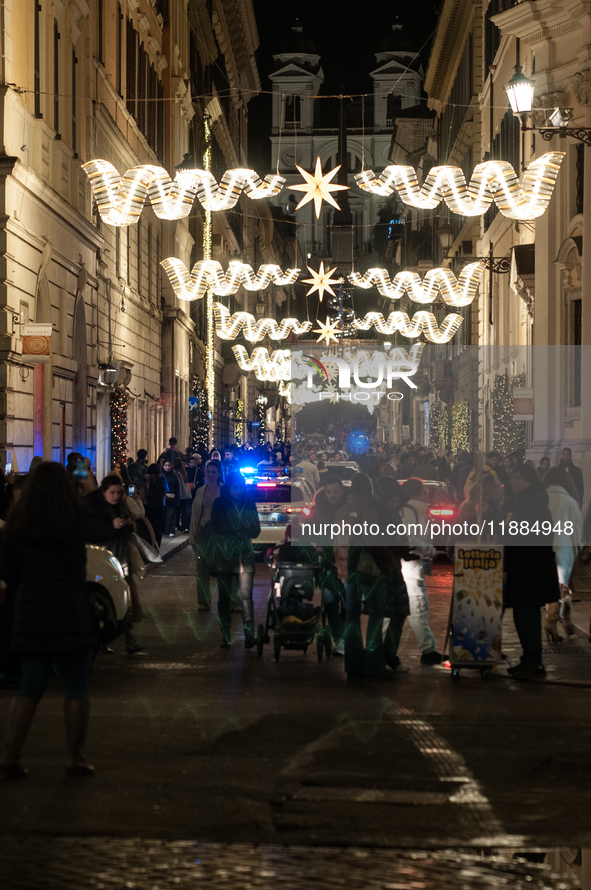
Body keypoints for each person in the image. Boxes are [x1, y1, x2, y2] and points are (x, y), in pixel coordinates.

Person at [0, 463, 97, 778]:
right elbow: (103, 530)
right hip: (71, 608)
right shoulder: (74, 518)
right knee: (76, 686)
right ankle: (76, 757)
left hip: (31, 612)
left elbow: (8, 571)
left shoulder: (17, 522)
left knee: (29, 686)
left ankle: (11, 756)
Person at [503, 464, 561, 680]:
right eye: (513, 477)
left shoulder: (532, 504)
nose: (513, 481)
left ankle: (533, 662)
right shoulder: (527, 501)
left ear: (529, 481)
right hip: (527, 569)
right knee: (524, 615)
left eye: (518, 478)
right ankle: (530, 659)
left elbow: (526, 537)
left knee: (527, 616)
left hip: (530, 570)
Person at [87, 475, 146, 655]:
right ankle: (118, 638)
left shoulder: (119, 506)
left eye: (118, 493)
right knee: (113, 601)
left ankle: (127, 638)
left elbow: (128, 530)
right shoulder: (95, 509)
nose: (115, 496)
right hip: (104, 561)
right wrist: (111, 526)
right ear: (104, 492)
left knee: (123, 599)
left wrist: (127, 524)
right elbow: (95, 533)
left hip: (120, 558)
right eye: (112, 492)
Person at [209, 471, 260, 648]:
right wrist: (240, 527)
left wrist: (236, 529)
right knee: (224, 597)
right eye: (235, 488)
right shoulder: (219, 503)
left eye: (240, 487)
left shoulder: (249, 502)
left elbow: (255, 530)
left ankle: (249, 634)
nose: (238, 491)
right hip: (225, 555)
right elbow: (217, 527)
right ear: (228, 488)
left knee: (246, 595)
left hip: (245, 555)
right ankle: (225, 633)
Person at [399, 479, 442, 664]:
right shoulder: (411, 511)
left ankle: (428, 649)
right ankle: (427, 650)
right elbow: (410, 539)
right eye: (424, 491)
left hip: (409, 566)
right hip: (410, 567)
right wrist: (429, 550)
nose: (427, 494)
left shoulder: (411, 510)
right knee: (417, 607)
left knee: (411, 609)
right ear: (416, 493)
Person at [543, 467, 583, 641]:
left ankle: (564, 623)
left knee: (555, 588)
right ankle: (553, 623)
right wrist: (579, 550)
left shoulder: (541, 499)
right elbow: (577, 530)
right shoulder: (570, 502)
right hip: (564, 549)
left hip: (544, 548)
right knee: (561, 587)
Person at [189, 459, 222, 610]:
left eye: (213, 472)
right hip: (203, 532)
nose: (211, 475)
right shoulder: (200, 491)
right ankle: (203, 601)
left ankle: (230, 601)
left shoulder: (224, 490)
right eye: (208, 471)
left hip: (220, 534)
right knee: (202, 569)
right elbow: (195, 515)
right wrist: (193, 537)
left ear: (219, 473)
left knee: (225, 568)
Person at [141, 463, 166, 546]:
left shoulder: (146, 480)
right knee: (158, 528)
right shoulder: (162, 478)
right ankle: (157, 545)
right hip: (160, 506)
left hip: (149, 507)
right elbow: (166, 490)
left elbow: (142, 495)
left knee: (149, 528)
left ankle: (151, 545)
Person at [161, 458, 179, 536]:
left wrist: (178, 499)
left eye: (169, 465)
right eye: (166, 465)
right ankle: (166, 530)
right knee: (164, 514)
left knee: (171, 514)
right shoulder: (161, 475)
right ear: (163, 466)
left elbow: (177, 488)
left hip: (171, 496)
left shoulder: (174, 476)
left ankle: (171, 530)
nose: (167, 467)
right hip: (163, 497)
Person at [173, 457, 192, 532]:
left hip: (181, 494)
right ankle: (183, 526)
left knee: (180, 511)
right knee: (183, 510)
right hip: (185, 494)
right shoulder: (183, 471)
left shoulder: (175, 472)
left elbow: (178, 485)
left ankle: (183, 526)